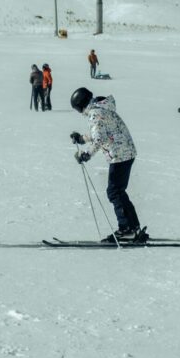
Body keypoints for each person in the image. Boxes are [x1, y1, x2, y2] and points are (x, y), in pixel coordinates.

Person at [70, 87, 145, 243]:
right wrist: (82, 139)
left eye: (77, 108)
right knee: (118, 191)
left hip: (119, 154)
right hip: (126, 152)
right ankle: (133, 227)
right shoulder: (101, 108)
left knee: (114, 192)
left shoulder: (95, 114)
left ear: (81, 104)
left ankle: (127, 230)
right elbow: (101, 132)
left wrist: (86, 154)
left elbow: (99, 140)